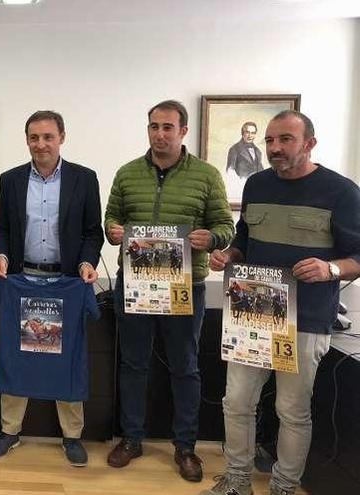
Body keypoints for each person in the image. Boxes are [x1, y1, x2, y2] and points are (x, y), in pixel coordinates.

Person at [203, 111, 360, 495]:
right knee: (236, 402)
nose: (275, 148)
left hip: (305, 319)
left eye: (285, 139)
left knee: (292, 411)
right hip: (251, 314)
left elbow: (357, 257)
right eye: (270, 140)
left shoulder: (341, 191)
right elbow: (244, 238)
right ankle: (237, 482)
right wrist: (229, 255)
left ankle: (284, 487)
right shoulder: (257, 184)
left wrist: (330, 268)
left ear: (309, 143)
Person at [104, 100, 234, 482]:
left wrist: (211, 237)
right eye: (153, 127)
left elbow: (226, 226)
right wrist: (113, 230)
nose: (159, 134)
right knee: (133, 364)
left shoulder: (207, 176)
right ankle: (131, 439)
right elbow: (112, 216)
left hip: (184, 287)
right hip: (137, 284)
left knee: (185, 367)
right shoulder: (127, 174)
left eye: (167, 127)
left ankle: (186, 447)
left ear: (183, 131)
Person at [0, 110, 104, 467]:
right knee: (15, 354)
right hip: (22, 280)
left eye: (48, 137)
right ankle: (9, 431)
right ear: (27, 140)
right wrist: (2, 255)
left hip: (66, 281)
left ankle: (72, 436)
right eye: (34, 137)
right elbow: (3, 228)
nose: (41, 144)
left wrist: (86, 263)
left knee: (66, 355)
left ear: (61, 137)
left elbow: (92, 232)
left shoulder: (85, 179)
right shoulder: (12, 179)